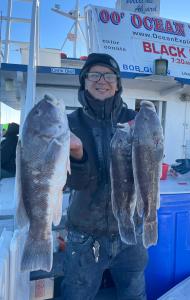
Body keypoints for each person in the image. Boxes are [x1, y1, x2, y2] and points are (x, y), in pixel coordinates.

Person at [61, 53, 148, 300]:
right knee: (76, 295)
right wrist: (77, 153)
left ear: (118, 83)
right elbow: (72, 183)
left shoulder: (136, 120)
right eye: (94, 75)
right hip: (84, 234)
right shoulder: (69, 123)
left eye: (109, 75)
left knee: (134, 293)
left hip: (131, 231)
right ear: (84, 81)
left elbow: (147, 171)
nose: (102, 80)